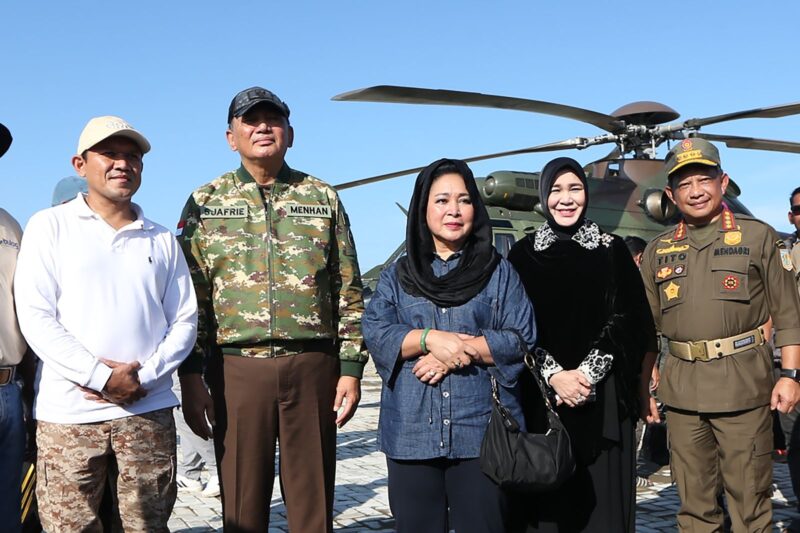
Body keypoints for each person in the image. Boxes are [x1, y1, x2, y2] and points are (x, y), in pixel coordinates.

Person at [177, 86, 367, 533]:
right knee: (242, 506)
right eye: (251, 120)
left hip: (312, 367)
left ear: (290, 133)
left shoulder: (322, 197)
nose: (263, 127)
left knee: (313, 506)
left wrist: (350, 368)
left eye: (273, 119)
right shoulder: (206, 202)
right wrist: (190, 375)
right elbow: (191, 296)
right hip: (237, 370)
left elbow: (348, 288)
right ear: (231, 137)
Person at [14, 115, 198, 532]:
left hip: (146, 409)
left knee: (146, 525)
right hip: (69, 414)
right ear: (80, 165)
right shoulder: (49, 226)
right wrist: (99, 376)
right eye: (110, 154)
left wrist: (143, 378)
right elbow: (36, 315)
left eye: (132, 156)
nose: (122, 164)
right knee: (70, 525)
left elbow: (185, 320)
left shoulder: (161, 238)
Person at [362, 158, 536, 533]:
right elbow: (375, 329)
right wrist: (429, 338)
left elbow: (522, 337)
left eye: (464, 200)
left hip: (482, 434)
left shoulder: (499, 272)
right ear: (423, 208)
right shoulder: (398, 274)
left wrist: (460, 350)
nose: (454, 210)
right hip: (411, 433)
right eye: (441, 200)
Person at [639, 138, 800, 532]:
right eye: (684, 183)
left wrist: (790, 376)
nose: (695, 190)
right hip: (682, 394)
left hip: (743, 388)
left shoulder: (758, 237)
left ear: (723, 182)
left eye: (704, 179)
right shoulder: (658, 250)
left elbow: (788, 314)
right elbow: (646, 329)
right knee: (694, 507)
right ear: (671, 194)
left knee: (750, 503)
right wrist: (644, 385)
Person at [507, 157, 658, 532]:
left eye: (574, 188)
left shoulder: (612, 250)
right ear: (544, 196)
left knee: (602, 513)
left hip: (603, 402)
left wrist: (588, 372)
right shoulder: (522, 256)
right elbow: (512, 324)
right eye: (556, 190)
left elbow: (633, 321)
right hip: (541, 401)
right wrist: (554, 374)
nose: (566, 199)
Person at [0, 122, 36, 533]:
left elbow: (24, 311)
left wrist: (30, 399)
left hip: (10, 392)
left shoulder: (11, 227)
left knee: (8, 507)